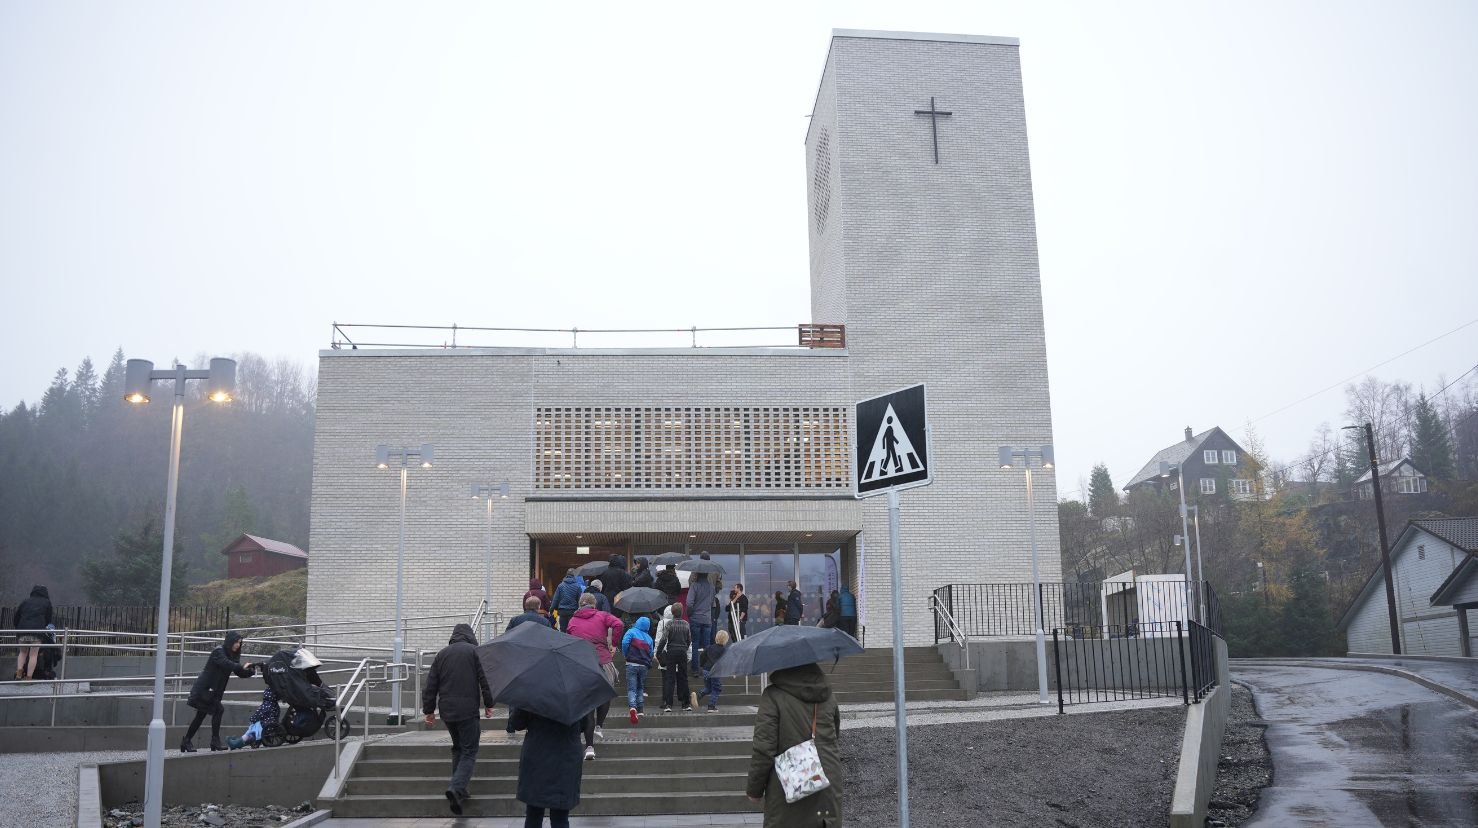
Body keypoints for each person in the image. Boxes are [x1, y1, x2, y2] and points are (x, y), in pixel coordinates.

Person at [746, 662, 843, 826]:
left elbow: (764, 748)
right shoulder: (828, 695)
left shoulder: (773, 695)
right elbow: (835, 735)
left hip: (787, 785)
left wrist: (754, 790)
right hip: (826, 778)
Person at [423, 623, 495, 815]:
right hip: (467, 710)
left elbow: (431, 684)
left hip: (447, 711)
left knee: (458, 747)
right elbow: (484, 679)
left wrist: (428, 710)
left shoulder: (442, 654)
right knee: (469, 750)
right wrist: (489, 703)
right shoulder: (474, 652)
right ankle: (456, 787)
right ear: (470, 636)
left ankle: (459, 789)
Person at [567, 593, 623, 758]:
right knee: (606, 694)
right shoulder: (602, 615)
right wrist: (613, 644)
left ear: (580, 604)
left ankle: (589, 747)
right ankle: (599, 725)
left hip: (581, 663)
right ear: (594, 604)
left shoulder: (572, 621)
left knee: (588, 705)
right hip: (603, 660)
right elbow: (618, 624)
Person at [183, 631, 258, 752]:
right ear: (230, 641)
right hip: (205, 689)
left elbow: (238, 671)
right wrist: (241, 666)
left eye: (239, 643)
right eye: (236, 642)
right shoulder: (218, 652)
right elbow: (227, 665)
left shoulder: (232, 655)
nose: (238, 645)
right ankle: (214, 741)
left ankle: (187, 741)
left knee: (200, 716)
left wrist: (250, 671)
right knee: (218, 710)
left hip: (213, 691)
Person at [509, 706, 582, 828]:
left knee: (533, 814)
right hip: (566, 757)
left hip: (537, 756)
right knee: (560, 817)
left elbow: (516, 723)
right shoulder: (577, 695)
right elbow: (585, 724)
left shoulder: (531, 693)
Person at [12, 584, 53, 680]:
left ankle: (19, 672)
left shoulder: (25, 601)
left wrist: (18, 627)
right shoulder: (47, 602)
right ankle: (29, 677)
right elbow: (48, 618)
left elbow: (17, 616)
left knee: (22, 653)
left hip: (22, 630)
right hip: (36, 631)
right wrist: (43, 625)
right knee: (33, 655)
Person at [620, 616, 654, 724]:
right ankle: (640, 710)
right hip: (643, 665)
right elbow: (651, 653)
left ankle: (632, 707)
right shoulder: (649, 638)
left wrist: (626, 654)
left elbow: (625, 643)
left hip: (631, 664)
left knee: (631, 688)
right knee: (640, 687)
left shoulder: (631, 632)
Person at [659, 604, 692, 713]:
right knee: (683, 678)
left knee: (670, 678)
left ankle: (668, 704)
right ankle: (686, 703)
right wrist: (685, 648)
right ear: (682, 612)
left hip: (671, 652)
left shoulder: (669, 624)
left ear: (672, 613)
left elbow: (663, 639)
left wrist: (658, 653)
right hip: (682, 651)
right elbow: (689, 640)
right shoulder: (686, 624)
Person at [686, 572, 715, 676]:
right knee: (707, 645)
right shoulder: (711, 587)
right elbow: (712, 603)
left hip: (696, 618)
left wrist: (690, 614)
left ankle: (695, 670)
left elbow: (689, 603)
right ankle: (706, 669)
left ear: (697, 574)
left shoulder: (694, 586)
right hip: (707, 619)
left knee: (695, 644)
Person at [697, 630, 729, 712]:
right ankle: (711, 706)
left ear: (716, 638)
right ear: (726, 640)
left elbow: (702, 656)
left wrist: (702, 665)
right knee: (716, 689)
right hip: (715, 672)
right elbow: (726, 662)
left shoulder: (709, 647)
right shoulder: (724, 650)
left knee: (708, 688)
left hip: (706, 670)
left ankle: (699, 694)